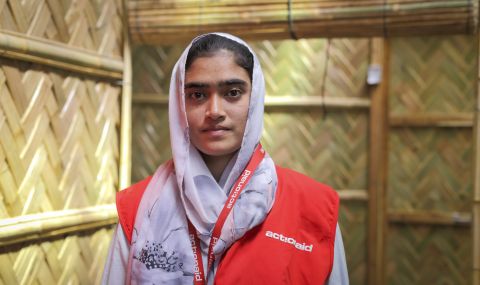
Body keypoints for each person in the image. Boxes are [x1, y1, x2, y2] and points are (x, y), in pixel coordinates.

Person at [102, 33, 348, 285]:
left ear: (254, 98)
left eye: (232, 92)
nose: (215, 112)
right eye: (197, 95)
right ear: (179, 103)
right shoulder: (137, 209)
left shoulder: (314, 210)